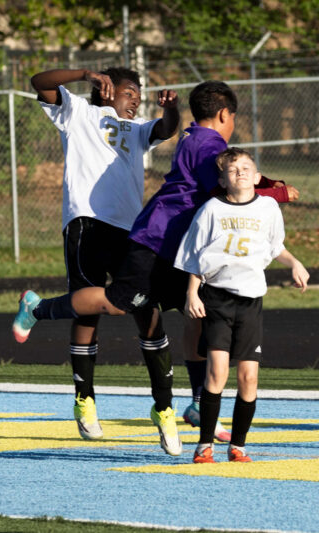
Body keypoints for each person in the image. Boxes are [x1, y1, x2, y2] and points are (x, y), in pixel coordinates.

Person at [26, 67, 180, 441]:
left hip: (132, 231)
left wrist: (173, 109)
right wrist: (83, 74)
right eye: (130, 93)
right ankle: (84, 399)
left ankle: (164, 409)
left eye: (139, 97)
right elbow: (39, 82)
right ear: (106, 90)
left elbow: (166, 129)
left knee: (147, 310)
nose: (135, 101)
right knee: (87, 308)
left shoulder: (138, 129)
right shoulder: (79, 111)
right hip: (87, 222)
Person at [175, 147, 309, 463]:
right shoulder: (210, 210)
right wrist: (192, 293)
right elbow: (195, 256)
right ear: (223, 179)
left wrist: (294, 262)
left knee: (249, 377)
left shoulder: (268, 207)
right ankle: (204, 445)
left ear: (257, 175)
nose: (241, 172)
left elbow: (276, 246)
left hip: (251, 302)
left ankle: (238, 446)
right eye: (233, 170)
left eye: (246, 167)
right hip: (217, 299)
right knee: (217, 373)